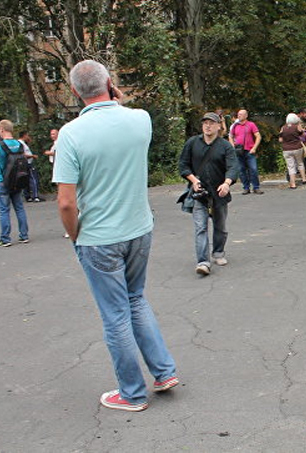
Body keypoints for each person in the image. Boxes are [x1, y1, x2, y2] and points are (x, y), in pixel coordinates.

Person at [53, 60, 177, 412]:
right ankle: (164, 372)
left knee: (115, 315)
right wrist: (115, 97)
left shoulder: (71, 134)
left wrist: (75, 236)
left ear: (75, 92)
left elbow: (65, 202)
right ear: (111, 83)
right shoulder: (140, 120)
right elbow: (123, 116)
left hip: (98, 237)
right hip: (139, 228)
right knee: (136, 299)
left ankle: (132, 393)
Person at [179, 112, 237, 276]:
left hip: (219, 194)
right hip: (200, 194)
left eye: (211, 123)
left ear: (219, 126)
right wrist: (193, 180)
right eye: (205, 123)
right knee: (200, 228)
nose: (208, 126)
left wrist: (227, 183)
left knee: (221, 227)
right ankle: (203, 262)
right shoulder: (192, 143)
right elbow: (183, 165)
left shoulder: (225, 146)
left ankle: (218, 253)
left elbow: (233, 167)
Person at [0, 120, 30, 247]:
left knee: (4, 210)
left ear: (2, 130)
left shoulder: (1, 146)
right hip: (18, 180)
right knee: (19, 207)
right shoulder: (19, 144)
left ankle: (5, 238)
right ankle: (24, 235)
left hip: (3, 181)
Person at [228, 109, 263, 195]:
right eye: (238, 114)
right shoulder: (235, 126)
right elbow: (230, 136)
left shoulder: (251, 124)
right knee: (241, 170)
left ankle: (256, 187)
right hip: (238, 151)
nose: (239, 116)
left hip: (249, 150)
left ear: (246, 116)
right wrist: (232, 146)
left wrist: (254, 148)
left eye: (241, 114)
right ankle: (246, 187)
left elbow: (258, 136)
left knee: (253, 169)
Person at [279, 113, 306, 189]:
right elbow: (302, 134)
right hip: (297, 147)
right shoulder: (296, 127)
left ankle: (293, 184)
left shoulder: (283, 128)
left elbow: (280, 139)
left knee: (291, 166)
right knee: (300, 163)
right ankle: (304, 179)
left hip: (286, 149)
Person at [18, 131, 42, 202]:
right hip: (27, 163)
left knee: (26, 179)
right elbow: (22, 154)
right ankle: (35, 196)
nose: (28, 137)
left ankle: (28, 196)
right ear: (24, 135)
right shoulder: (20, 143)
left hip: (25, 163)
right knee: (33, 179)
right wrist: (32, 156)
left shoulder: (23, 143)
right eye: (27, 135)